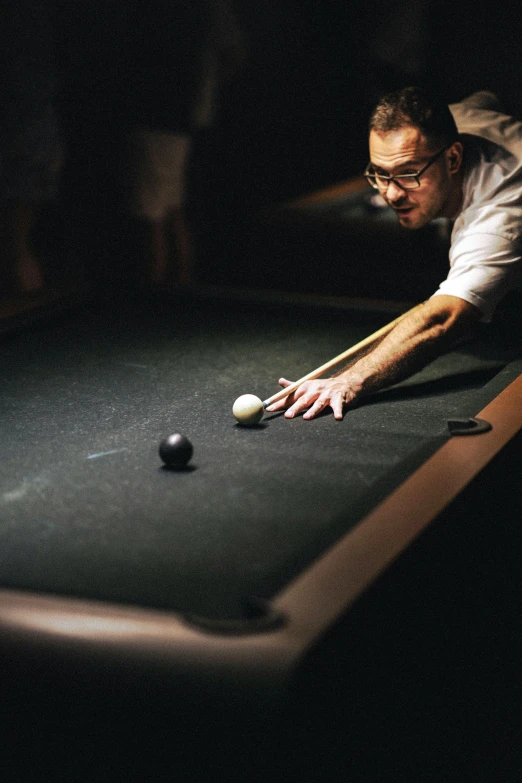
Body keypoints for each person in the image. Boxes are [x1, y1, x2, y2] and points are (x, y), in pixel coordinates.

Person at [266, 87, 522, 421]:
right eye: (380, 174)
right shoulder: (455, 120)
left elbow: (444, 318)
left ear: (453, 158)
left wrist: (350, 379)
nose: (391, 193)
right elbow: (487, 98)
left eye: (407, 174)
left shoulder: (499, 218)